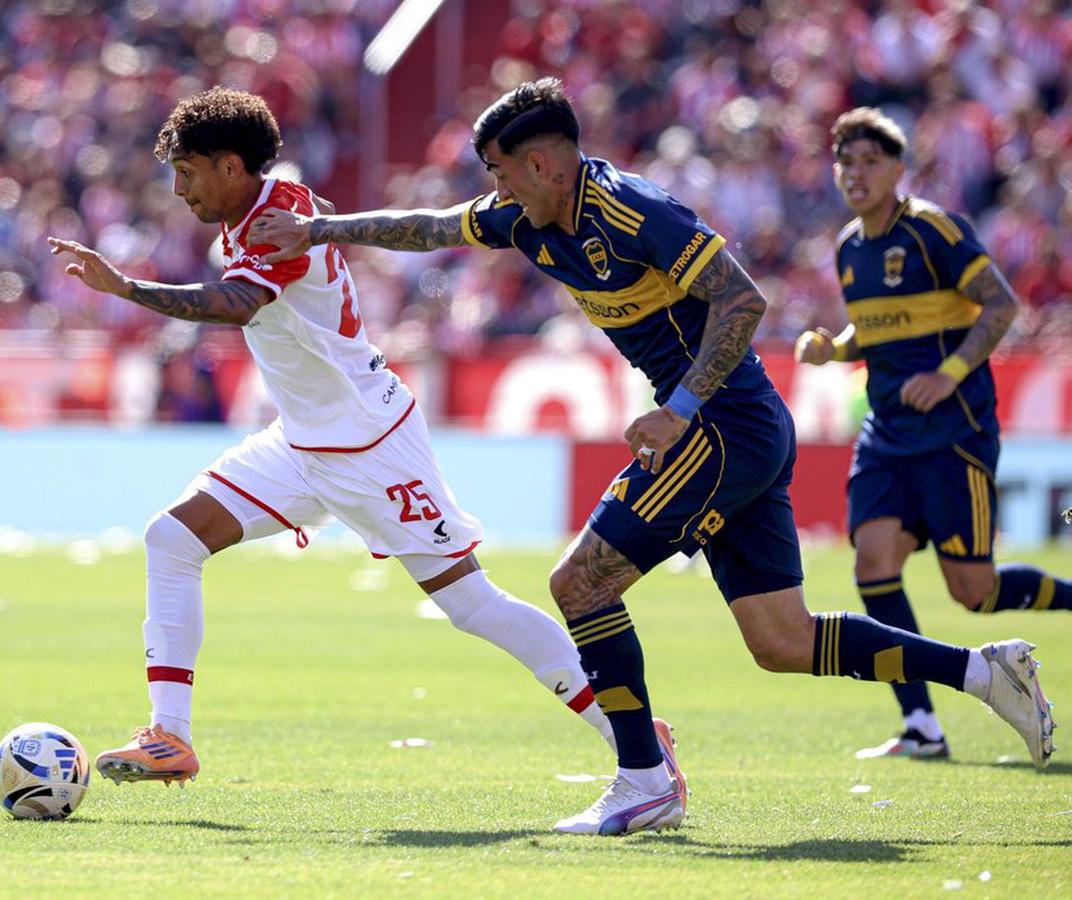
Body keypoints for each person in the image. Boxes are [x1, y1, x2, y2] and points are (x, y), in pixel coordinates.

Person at [253, 79, 1057, 836]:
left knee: (580, 582)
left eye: (498, 171)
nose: (492, 190)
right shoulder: (523, 217)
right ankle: (986, 674)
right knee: (782, 641)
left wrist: (680, 408)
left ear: (543, 163)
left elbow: (743, 299)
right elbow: (430, 228)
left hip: (721, 424)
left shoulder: (633, 210)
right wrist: (320, 231)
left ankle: (644, 780)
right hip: (735, 429)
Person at [46, 86, 674, 794]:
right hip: (301, 443)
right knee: (172, 538)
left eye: (187, 171)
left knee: (471, 604)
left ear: (230, 166)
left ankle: (635, 738)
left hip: (370, 445)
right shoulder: (259, 210)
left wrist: (127, 288)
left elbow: (239, 304)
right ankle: (170, 736)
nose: (178, 187)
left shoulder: (275, 220)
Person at [794, 107, 1072, 761]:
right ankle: (921, 722)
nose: (856, 174)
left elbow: (1000, 303)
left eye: (870, 161)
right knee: (873, 564)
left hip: (954, 431)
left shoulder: (933, 230)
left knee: (974, 591)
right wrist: (836, 349)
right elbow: (877, 328)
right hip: (887, 433)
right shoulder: (848, 247)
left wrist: (948, 374)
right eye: (846, 162)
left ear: (897, 168)